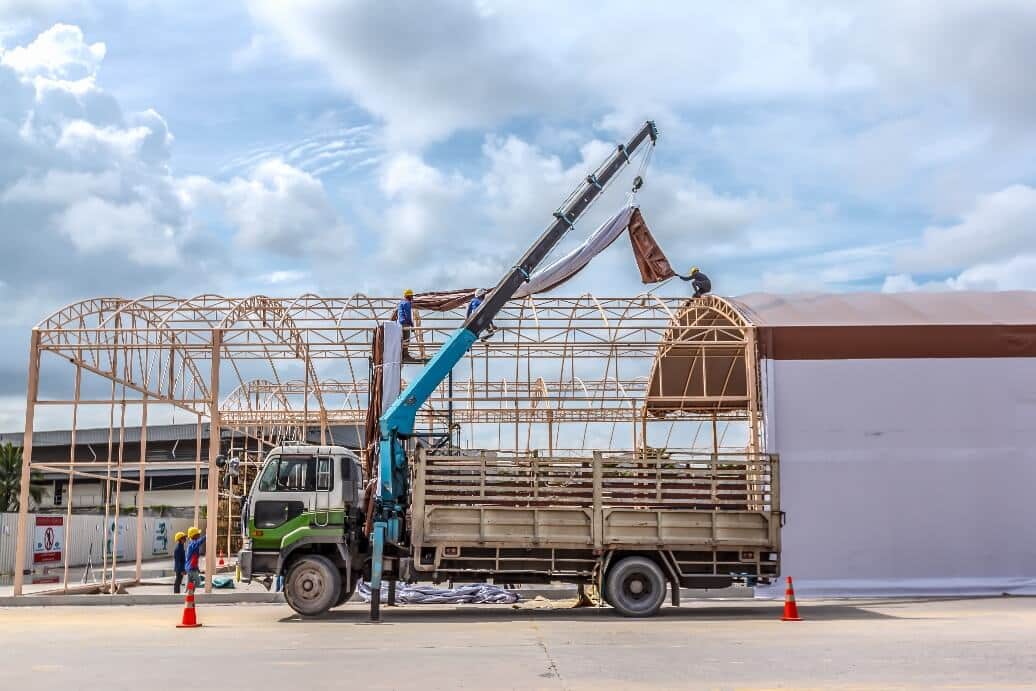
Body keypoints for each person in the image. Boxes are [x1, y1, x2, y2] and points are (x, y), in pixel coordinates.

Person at [398, 288, 425, 364]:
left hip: (400, 324)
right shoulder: (407, 303)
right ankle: (405, 356)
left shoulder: (401, 303)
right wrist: (412, 325)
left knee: (403, 340)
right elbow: (408, 315)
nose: (412, 298)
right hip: (405, 324)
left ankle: (402, 355)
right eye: (411, 296)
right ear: (409, 296)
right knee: (406, 340)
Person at [184, 526, 206, 590]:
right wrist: (206, 536)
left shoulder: (191, 544)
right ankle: (190, 591)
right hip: (191, 568)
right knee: (198, 582)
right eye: (198, 534)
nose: (199, 535)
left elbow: (194, 560)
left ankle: (187, 593)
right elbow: (198, 542)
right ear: (194, 535)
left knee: (189, 582)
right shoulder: (193, 544)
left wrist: (197, 568)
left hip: (190, 568)